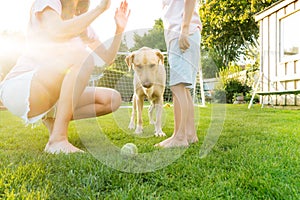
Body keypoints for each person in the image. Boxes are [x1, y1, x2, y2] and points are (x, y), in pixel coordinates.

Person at [0, 0, 130, 154]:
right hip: (22, 87)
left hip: (49, 93)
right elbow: (58, 30)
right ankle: (58, 139)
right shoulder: (48, 3)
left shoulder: (83, 25)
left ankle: (54, 122)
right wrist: (100, 8)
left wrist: (119, 29)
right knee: (81, 57)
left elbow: (107, 59)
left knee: (112, 99)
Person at [155, 0, 202, 148]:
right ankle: (189, 134)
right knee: (183, 87)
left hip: (182, 33)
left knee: (178, 86)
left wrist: (184, 29)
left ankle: (180, 137)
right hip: (181, 33)